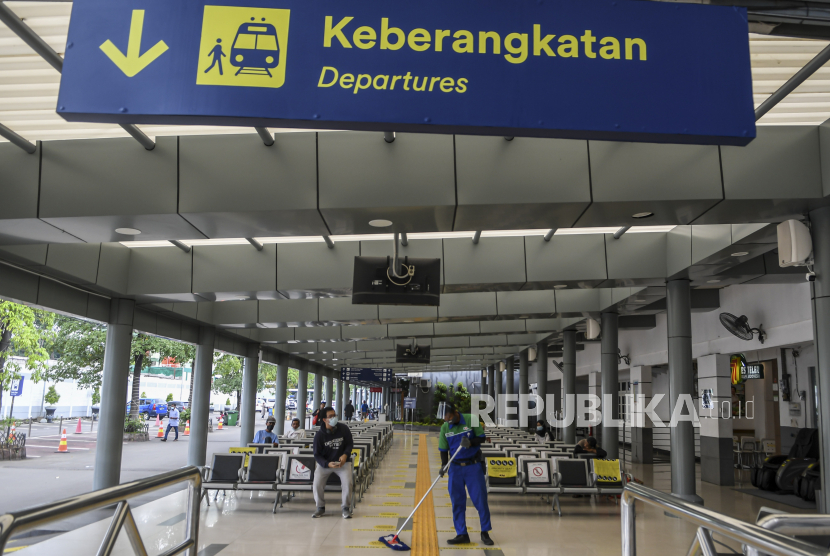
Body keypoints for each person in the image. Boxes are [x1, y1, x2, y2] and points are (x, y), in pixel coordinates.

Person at [438, 402, 494, 546]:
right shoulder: (445, 428)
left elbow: (481, 437)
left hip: (473, 466)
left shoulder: (471, 419)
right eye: (445, 418)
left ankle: (485, 532)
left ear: (455, 412)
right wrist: (444, 465)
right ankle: (462, 533)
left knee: (480, 500)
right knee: (457, 501)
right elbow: (443, 450)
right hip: (455, 468)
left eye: (449, 417)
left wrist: (470, 442)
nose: (448, 420)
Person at [312, 407, 354, 519]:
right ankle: (320, 507)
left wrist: (345, 455)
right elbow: (316, 454)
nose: (334, 418)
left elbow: (350, 444)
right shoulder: (319, 436)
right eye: (330, 416)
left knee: (348, 482)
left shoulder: (343, 429)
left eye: (334, 415)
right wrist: (326, 464)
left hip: (342, 463)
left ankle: (345, 507)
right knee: (317, 483)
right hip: (325, 464)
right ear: (324, 419)